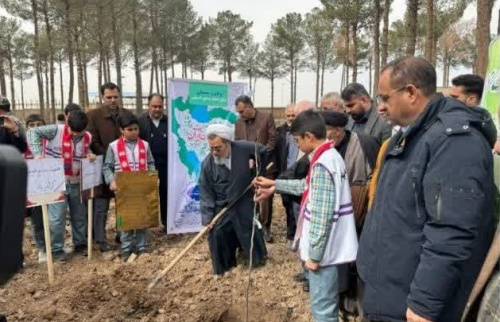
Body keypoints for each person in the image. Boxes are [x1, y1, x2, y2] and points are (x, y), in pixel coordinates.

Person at [357, 57, 496, 322]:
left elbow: (452, 231)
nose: (381, 108)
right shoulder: (409, 136)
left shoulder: (454, 142)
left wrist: (423, 304)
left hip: (412, 307)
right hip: (389, 295)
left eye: (385, 98)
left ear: (411, 92)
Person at [255, 109, 358, 322]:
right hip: (331, 249)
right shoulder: (331, 155)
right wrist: (276, 185)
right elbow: (310, 187)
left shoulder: (322, 164)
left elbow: (322, 215)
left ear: (309, 136)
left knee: (323, 310)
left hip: (325, 253)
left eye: (297, 140)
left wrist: (315, 256)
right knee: (326, 305)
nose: (297, 146)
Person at [27, 110, 96, 261]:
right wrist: (38, 154)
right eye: (73, 132)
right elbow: (32, 133)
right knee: (57, 218)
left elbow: (85, 151)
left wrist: (90, 154)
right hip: (57, 182)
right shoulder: (54, 131)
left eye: (81, 132)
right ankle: (56, 249)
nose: (77, 135)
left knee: (79, 216)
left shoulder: (88, 137)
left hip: (77, 182)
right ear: (67, 124)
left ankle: (80, 244)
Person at [199, 123, 268, 275]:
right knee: (217, 232)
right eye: (211, 148)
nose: (214, 152)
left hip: (242, 198)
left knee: (246, 225)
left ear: (228, 142)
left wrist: (258, 173)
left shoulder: (243, 148)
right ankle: (224, 267)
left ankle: (256, 260)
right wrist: (207, 218)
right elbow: (205, 192)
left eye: (218, 148)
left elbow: (264, 151)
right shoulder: (207, 164)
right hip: (221, 204)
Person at [87, 82, 134, 252]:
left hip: (125, 166)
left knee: (122, 203)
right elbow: (92, 140)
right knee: (101, 206)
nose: (112, 100)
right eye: (109, 97)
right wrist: (109, 154)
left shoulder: (127, 114)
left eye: (115, 97)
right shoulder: (93, 116)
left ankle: (122, 234)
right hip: (101, 165)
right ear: (102, 97)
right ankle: (100, 239)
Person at [102, 114, 155, 261]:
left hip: (141, 187)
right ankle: (126, 248)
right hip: (123, 189)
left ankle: (142, 247)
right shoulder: (113, 146)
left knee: (142, 218)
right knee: (123, 219)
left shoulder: (145, 145)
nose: (134, 132)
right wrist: (111, 181)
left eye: (136, 129)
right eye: (130, 129)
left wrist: (152, 178)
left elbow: (150, 163)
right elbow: (107, 167)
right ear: (121, 130)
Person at [234, 95, 277, 242]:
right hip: (248, 168)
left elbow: (273, 140)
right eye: (238, 112)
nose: (240, 115)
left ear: (249, 106)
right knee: (250, 198)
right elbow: (238, 144)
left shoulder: (266, 117)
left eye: (241, 111)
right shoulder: (238, 123)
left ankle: (265, 228)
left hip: (266, 167)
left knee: (264, 200)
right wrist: (247, 159)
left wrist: (259, 156)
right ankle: (253, 227)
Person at [138, 93, 168, 228]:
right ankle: (147, 224)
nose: (157, 109)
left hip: (166, 165)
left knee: (166, 192)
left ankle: (167, 222)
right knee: (147, 193)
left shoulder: (169, 121)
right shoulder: (140, 121)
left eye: (160, 106)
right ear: (148, 105)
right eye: (154, 106)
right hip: (147, 165)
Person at [24, 114, 47, 263]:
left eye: (39, 124)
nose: (36, 128)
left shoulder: (49, 142)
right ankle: (42, 250)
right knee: (37, 221)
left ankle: (54, 247)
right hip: (30, 188)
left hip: (49, 186)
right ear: (27, 127)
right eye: (32, 125)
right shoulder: (22, 143)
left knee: (50, 220)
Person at [276, 104, 299, 247]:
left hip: (300, 173)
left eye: (293, 115)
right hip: (285, 173)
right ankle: (291, 234)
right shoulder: (280, 132)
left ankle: (296, 234)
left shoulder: (304, 131)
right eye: (288, 116)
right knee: (287, 204)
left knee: (297, 205)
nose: (290, 118)